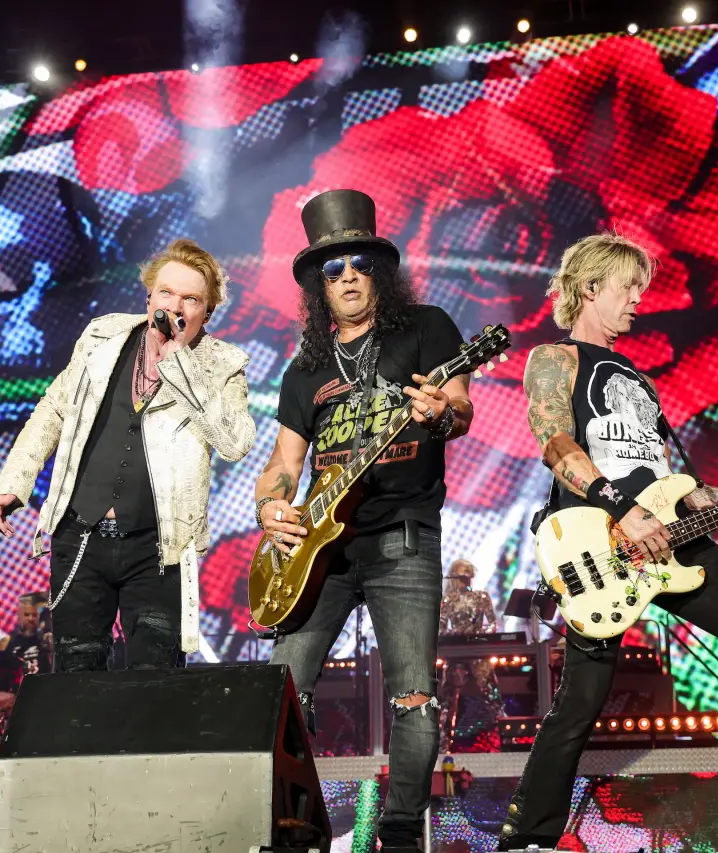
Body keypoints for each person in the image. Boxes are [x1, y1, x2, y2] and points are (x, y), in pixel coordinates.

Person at [498, 233, 718, 851]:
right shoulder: (556, 359)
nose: (638, 300)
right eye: (628, 287)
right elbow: (555, 444)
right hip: (601, 545)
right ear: (590, 288)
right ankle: (528, 836)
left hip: (671, 539)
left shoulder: (639, 380)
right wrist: (622, 511)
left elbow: (674, 485)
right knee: (581, 700)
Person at [254, 189, 475, 853]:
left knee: (413, 696)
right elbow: (282, 465)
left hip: (401, 533)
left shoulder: (425, 329)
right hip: (318, 550)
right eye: (333, 268)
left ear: (380, 272)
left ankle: (400, 836)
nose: (348, 275)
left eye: (360, 263)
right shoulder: (305, 371)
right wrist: (271, 507)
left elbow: (459, 408)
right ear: (318, 286)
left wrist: (441, 412)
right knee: (280, 690)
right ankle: (292, 829)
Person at [0, 238, 256, 671]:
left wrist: (181, 366)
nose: (175, 306)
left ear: (207, 312)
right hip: (80, 536)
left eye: (191, 299)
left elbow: (236, 442)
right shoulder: (102, 337)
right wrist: (13, 483)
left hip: (160, 549)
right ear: (149, 296)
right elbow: (53, 409)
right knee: (77, 674)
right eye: (166, 292)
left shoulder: (223, 364)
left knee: (153, 681)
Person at [438, 559, 505, 752]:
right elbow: (441, 628)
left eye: (466, 577)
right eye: (461, 577)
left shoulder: (481, 597)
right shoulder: (448, 600)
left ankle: (503, 740)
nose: (464, 581)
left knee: (492, 696)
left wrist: (480, 635)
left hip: (478, 652)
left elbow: (492, 624)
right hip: (456, 654)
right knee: (448, 701)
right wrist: (453, 635)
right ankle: (444, 745)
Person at [0, 592, 54, 675]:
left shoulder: (44, 638)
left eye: (34, 615)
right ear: (18, 616)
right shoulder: (8, 641)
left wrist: (51, 647)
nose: (30, 618)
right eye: (26, 615)